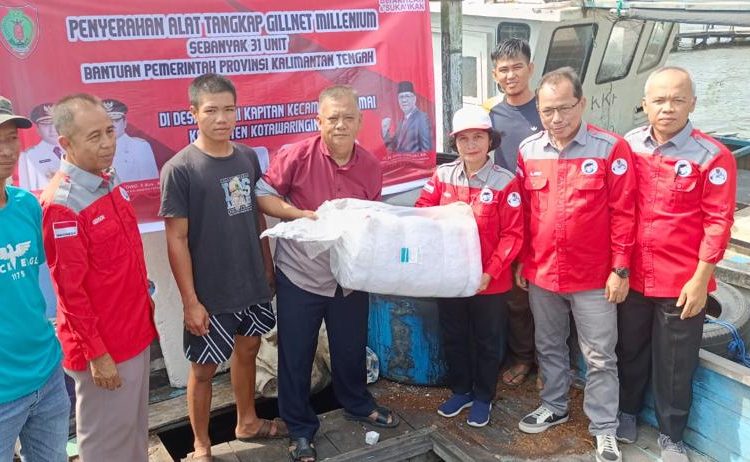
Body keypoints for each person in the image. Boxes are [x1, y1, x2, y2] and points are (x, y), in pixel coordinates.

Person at [256, 85, 397, 462]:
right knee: (296, 353)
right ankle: (299, 427)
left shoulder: (369, 166)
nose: (340, 125)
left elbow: (373, 216)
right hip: (300, 273)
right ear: (318, 121)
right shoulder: (296, 156)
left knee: (350, 348)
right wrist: (300, 215)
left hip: (348, 276)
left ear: (360, 121)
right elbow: (263, 195)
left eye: (347, 117)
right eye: (332, 118)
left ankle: (356, 403)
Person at [515, 68, 636, 462]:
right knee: (548, 345)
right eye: (548, 110)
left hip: (594, 277)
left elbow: (623, 213)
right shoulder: (528, 150)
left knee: (600, 355)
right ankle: (554, 404)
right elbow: (526, 214)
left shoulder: (609, 149)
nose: (557, 118)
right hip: (543, 273)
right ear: (538, 109)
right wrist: (522, 260)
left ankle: (603, 427)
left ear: (581, 104)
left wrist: (620, 269)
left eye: (565, 108)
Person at [616, 67, 736, 462]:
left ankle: (671, 437)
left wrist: (702, 279)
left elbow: (718, 222)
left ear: (692, 104)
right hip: (631, 275)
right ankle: (627, 412)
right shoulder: (629, 146)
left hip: (681, 281)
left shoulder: (712, 156)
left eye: (678, 100)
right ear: (645, 104)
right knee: (629, 350)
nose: (668, 108)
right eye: (659, 100)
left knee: (675, 365)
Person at [159, 74, 281, 460]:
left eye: (229, 109)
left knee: (248, 351)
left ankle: (247, 420)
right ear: (193, 113)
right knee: (203, 371)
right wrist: (191, 301)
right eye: (211, 110)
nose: (222, 118)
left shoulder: (246, 157)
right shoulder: (180, 169)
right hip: (211, 294)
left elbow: (256, 215)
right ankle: (201, 444)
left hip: (252, 284)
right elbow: (176, 240)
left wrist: (266, 264)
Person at [40, 93, 157, 462]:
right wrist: (98, 354)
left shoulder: (107, 178)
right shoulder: (62, 204)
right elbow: (70, 293)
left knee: (134, 434)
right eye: (95, 136)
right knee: (106, 448)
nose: (108, 143)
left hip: (134, 331)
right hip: (104, 350)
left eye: (110, 131)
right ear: (66, 143)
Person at [415, 106, 523, 427]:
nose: (471, 145)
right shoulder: (443, 176)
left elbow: (512, 235)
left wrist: (488, 272)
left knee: (487, 339)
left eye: (478, 137)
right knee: (454, 334)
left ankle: (484, 396)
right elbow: (423, 211)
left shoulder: (506, 182)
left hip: (490, 280)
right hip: (451, 278)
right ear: (455, 143)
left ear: (490, 140)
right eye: (463, 139)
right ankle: (461, 390)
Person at [0, 96, 70, 462]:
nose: (6, 149)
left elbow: (47, 278)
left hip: (46, 376)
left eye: (11, 138)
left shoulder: (28, 205)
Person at [488, 38, 542, 388]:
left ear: (530, 69)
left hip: (547, 213)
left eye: (517, 67)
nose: (511, 75)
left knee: (553, 296)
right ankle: (523, 357)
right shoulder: (490, 115)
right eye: (504, 70)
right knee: (516, 298)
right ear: (495, 74)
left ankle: (554, 365)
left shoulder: (547, 109)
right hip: (509, 218)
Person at [103, 98, 159, 182]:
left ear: (125, 123)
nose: (112, 124)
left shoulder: (139, 147)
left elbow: (150, 185)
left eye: (116, 120)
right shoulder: (93, 151)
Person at [17, 102, 63, 191]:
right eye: (46, 124)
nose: (52, 129)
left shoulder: (74, 150)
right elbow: (26, 190)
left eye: (55, 123)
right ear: (38, 129)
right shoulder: (28, 155)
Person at [381, 81, 432, 152]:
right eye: (401, 97)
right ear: (398, 100)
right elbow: (393, 148)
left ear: (414, 99)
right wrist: (385, 131)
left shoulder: (421, 118)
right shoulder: (401, 121)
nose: (404, 100)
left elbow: (426, 151)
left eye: (407, 96)